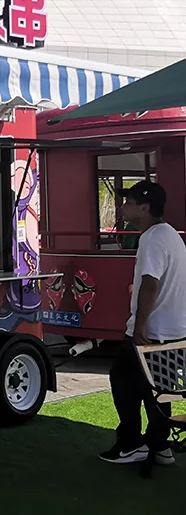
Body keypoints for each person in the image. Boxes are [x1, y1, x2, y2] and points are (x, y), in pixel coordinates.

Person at [99, 180, 186, 465]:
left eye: (129, 202)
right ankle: (160, 447)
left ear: (145, 208)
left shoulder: (151, 239)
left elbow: (150, 283)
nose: (123, 207)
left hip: (151, 332)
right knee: (161, 390)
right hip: (174, 330)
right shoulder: (171, 235)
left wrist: (139, 327)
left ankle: (131, 443)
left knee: (122, 380)